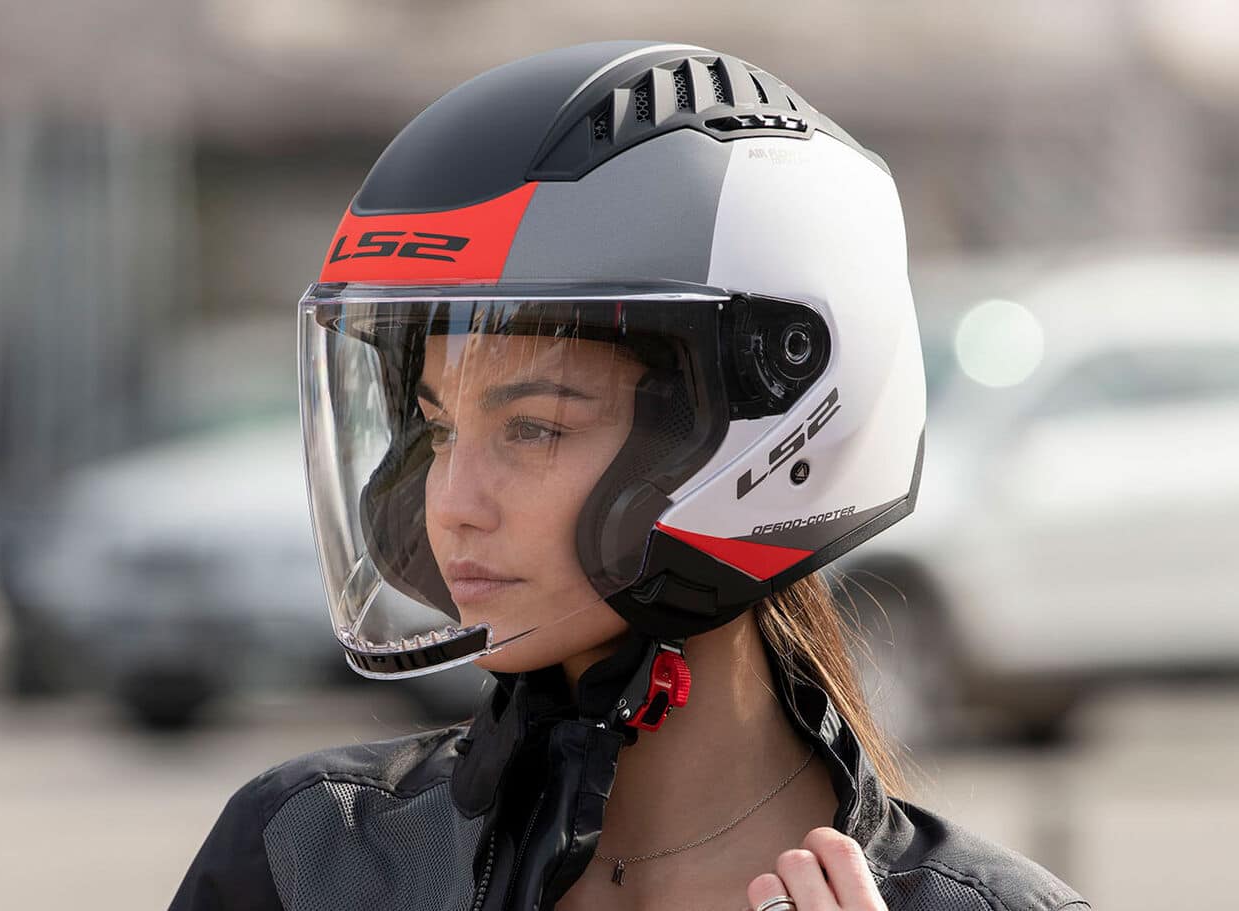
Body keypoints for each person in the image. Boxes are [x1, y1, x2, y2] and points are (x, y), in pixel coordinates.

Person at [169, 40, 1092, 911]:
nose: (449, 505)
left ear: (778, 394)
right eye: (439, 430)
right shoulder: (305, 858)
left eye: (533, 428)